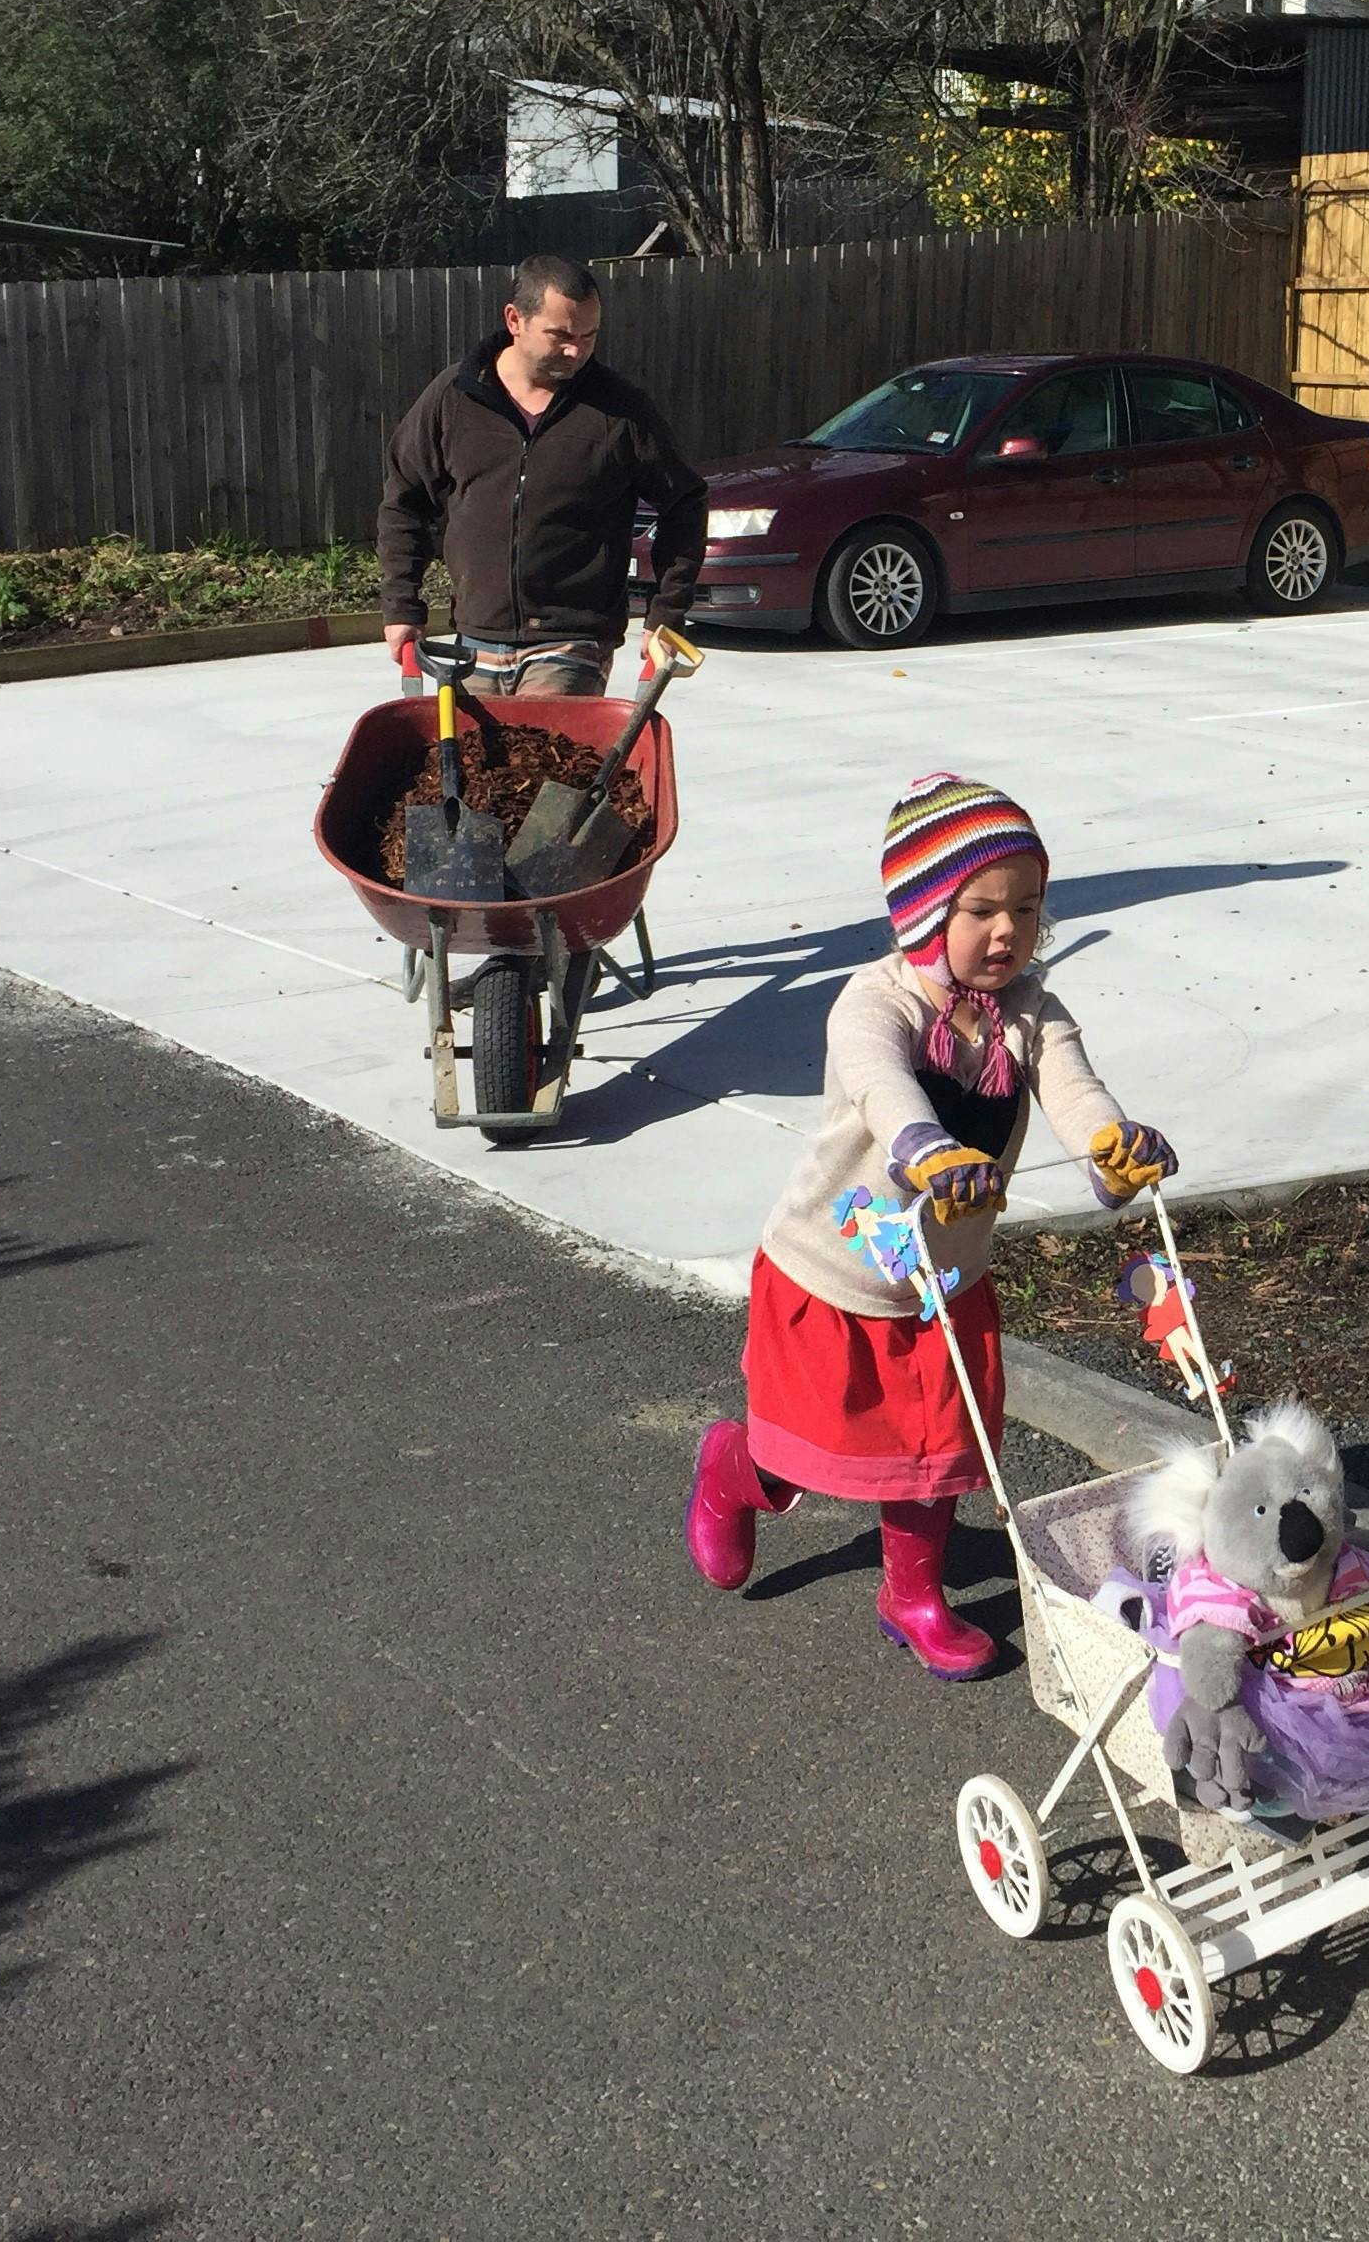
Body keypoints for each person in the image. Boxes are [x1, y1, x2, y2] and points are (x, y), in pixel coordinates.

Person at [683, 774, 1179, 1678]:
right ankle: (736, 1470)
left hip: (942, 1286)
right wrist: (926, 1147)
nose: (1008, 932)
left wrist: (1111, 1143)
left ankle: (911, 1594)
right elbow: (883, 1084)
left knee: (938, 1452)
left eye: (1027, 910)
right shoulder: (875, 1003)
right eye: (982, 910)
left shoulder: (1033, 1011)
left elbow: (1072, 1087)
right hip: (828, 1273)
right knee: (804, 1452)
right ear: (922, 915)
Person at [377, 255, 708, 697]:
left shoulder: (619, 411)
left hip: (572, 640)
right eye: (561, 335)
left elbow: (684, 503)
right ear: (515, 319)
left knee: (546, 760)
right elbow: (404, 497)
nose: (577, 350)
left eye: (588, 336)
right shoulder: (454, 397)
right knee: (474, 765)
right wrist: (401, 605)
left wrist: (665, 612)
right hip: (475, 637)